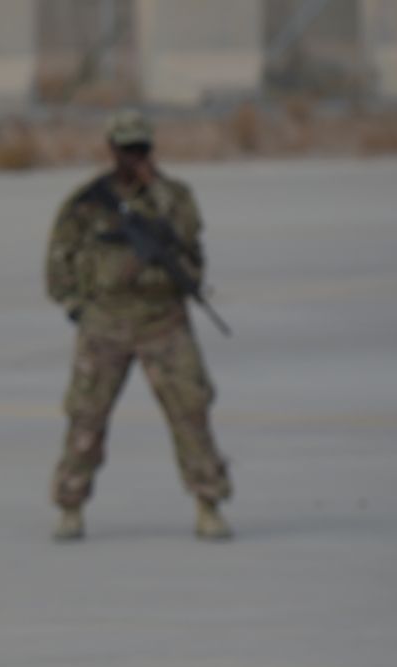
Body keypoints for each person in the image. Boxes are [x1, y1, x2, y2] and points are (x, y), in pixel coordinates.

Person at [45, 108, 233, 541]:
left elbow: (192, 252)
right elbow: (59, 261)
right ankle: (70, 506)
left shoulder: (176, 197)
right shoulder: (87, 202)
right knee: (85, 418)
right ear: (111, 149)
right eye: (126, 148)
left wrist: (157, 193)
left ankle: (209, 502)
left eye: (141, 148)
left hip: (163, 322)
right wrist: (77, 307)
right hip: (105, 325)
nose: (133, 156)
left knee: (191, 413)